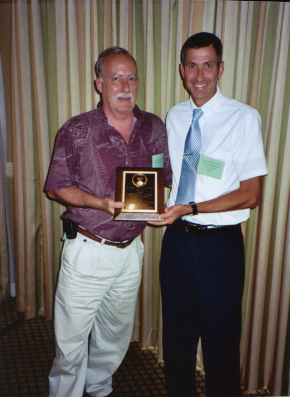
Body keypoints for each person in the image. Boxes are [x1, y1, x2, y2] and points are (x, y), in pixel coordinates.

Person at [44, 47, 171, 397]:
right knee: (70, 345)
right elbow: (57, 188)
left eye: (131, 77)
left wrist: (159, 206)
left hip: (131, 252)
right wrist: (101, 203)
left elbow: (163, 178)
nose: (125, 85)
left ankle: (99, 387)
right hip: (88, 249)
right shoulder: (77, 130)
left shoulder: (154, 127)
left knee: (114, 336)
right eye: (116, 77)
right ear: (100, 84)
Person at [149, 32, 268, 396]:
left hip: (220, 248)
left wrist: (194, 207)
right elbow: (167, 171)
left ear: (220, 68)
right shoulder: (174, 115)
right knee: (177, 343)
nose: (199, 75)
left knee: (221, 345)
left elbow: (252, 194)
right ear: (181, 70)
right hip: (177, 243)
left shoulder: (244, 118)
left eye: (207, 65)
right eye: (191, 65)